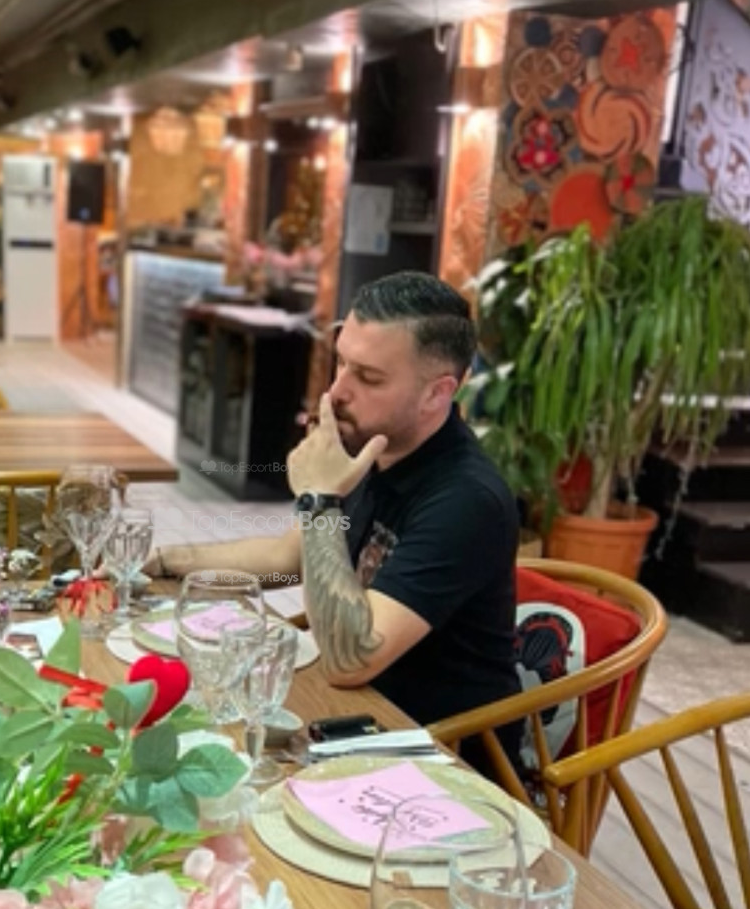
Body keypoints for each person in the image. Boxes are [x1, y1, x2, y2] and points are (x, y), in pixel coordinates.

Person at [148, 270, 522, 730]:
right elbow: (288, 560)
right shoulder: (375, 447)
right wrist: (165, 562)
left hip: (433, 745)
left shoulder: (468, 500)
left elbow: (348, 662)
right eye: (341, 362)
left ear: (437, 393)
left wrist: (319, 501)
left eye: (368, 377)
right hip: (352, 713)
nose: (336, 391)